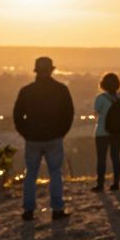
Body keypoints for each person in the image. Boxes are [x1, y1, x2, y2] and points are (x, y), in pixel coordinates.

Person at [12, 56, 74, 221]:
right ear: (51, 70)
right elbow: (68, 114)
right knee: (55, 173)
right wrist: (61, 132)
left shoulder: (26, 91)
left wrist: (25, 133)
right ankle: (57, 209)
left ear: (36, 71)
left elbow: (17, 116)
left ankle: (28, 210)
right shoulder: (61, 90)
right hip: (54, 137)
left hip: (33, 138)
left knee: (30, 174)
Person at [92, 72, 120, 192]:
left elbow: (96, 112)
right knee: (116, 157)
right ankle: (116, 183)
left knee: (101, 159)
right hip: (117, 131)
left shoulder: (100, 98)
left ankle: (100, 184)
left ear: (103, 84)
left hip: (101, 131)